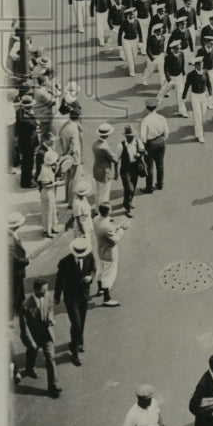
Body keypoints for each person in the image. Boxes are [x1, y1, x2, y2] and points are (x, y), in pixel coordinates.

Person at [54, 236, 95, 366]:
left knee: (82, 320)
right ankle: (74, 350)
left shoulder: (89, 255)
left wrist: (90, 277)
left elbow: (93, 269)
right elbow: (59, 281)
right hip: (71, 297)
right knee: (76, 323)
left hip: (83, 294)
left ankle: (79, 341)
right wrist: (56, 297)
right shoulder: (65, 262)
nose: (82, 257)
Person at [93, 203, 127, 307]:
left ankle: (100, 289)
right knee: (108, 275)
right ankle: (106, 298)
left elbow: (107, 231)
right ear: (108, 212)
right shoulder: (107, 227)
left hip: (100, 251)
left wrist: (116, 227)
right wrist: (122, 229)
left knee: (100, 270)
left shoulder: (96, 220)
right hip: (109, 254)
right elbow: (114, 240)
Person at [139, 101, 169, 193]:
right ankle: (160, 184)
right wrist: (162, 139)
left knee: (149, 166)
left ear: (147, 108)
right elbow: (166, 132)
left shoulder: (145, 120)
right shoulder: (161, 118)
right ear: (156, 107)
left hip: (150, 143)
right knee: (160, 164)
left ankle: (149, 187)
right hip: (160, 142)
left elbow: (143, 136)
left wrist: (143, 146)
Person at [118, 125, 146, 217]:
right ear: (125, 136)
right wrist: (115, 172)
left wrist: (139, 154)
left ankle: (127, 202)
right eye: (129, 136)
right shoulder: (121, 145)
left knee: (133, 187)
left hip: (135, 167)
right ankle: (128, 209)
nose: (131, 137)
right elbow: (116, 159)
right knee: (129, 188)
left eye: (132, 135)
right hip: (125, 169)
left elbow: (143, 150)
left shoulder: (137, 142)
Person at [8, 211, 29, 322]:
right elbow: (12, 258)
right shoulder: (9, 239)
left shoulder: (12, 235)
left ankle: (21, 311)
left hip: (17, 272)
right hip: (14, 272)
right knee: (13, 294)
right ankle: (10, 319)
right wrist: (26, 261)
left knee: (19, 292)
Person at [92, 123, 119, 206]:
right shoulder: (104, 147)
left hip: (97, 170)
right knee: (104, 195)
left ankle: (97, 209)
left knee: (98, 191)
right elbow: (115, 159)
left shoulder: (95, 143)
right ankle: (101, 212)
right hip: (104, 172)